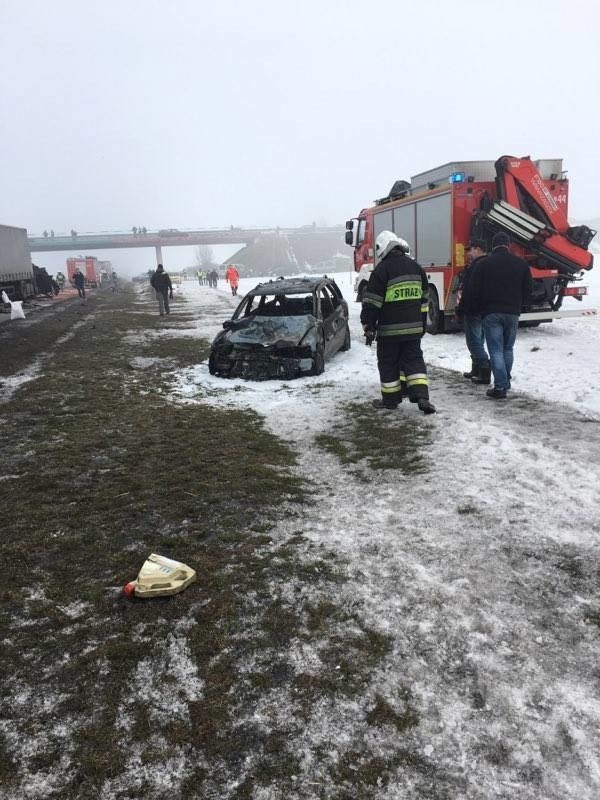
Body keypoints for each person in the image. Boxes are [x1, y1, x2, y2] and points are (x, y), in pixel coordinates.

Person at [361, 230, 436, 414]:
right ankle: (422, 397)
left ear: (383, 249)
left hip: (389, 332)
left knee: (388, 364)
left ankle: (391, 400)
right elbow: (424, 299)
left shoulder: (381, 271)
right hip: (413, 329)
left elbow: (372, 303)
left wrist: (368, 325)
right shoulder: (416, 268)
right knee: (414, 361)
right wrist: (421, 323)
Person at [469, 231, 533, 399]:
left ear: (493, 245)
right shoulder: (521, 264)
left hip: (491, 313)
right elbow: (528, 290)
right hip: (512, 313)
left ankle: (500, 387)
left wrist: (478, 309)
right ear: (508, 245)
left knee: (495, 349)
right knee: (507, 348)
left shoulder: (484, 264)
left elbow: (475, 290)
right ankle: (505, 381)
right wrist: (520, 305)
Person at [455, 239, 490, 384]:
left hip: (473, 309)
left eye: (471, 250)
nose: (469, 253)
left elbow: (469, 291)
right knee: (479, 340)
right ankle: (476, 369)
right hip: (485, 309)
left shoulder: (476, 266)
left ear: (479, 249)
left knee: (473, 342)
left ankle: (484, 369)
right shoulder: (489, 264)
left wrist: (460, 310)